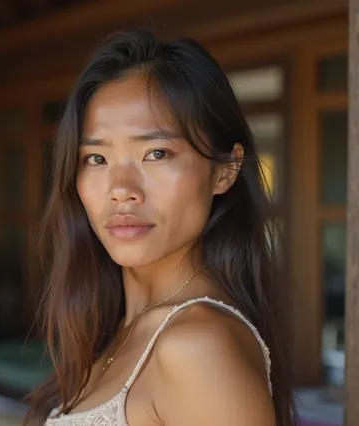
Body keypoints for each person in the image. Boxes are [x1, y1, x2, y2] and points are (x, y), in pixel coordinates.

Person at [27, 29, 295, 426]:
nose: (121, 190)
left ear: (225, 170)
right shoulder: (117, 330)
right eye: (96, 158)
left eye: (156, 153)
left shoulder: (197, 347)